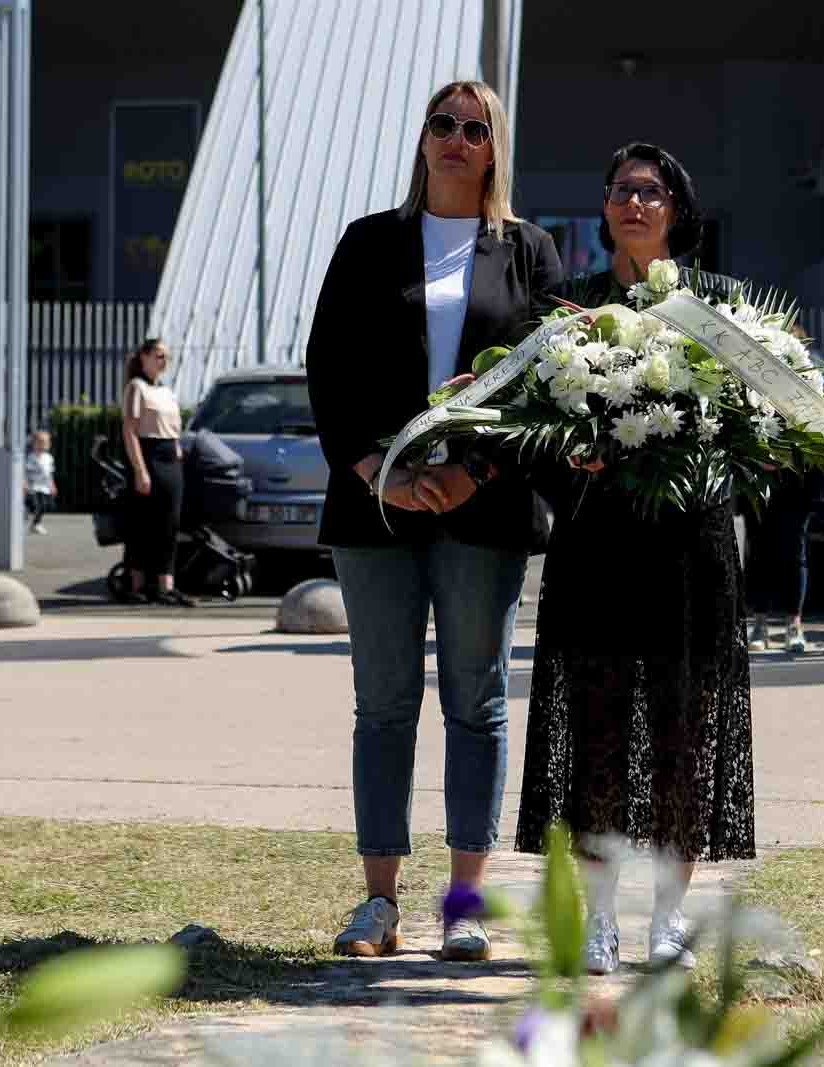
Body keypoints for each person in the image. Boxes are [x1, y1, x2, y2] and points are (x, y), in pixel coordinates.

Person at [306, 80, 563, 962]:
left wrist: (474, 472)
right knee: (381, 705)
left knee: (477, 702)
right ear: (421, 140)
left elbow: (548, 384)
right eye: (442, 124)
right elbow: (327, 367)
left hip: (481, 511)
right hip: (373, 505)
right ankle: (378, 904)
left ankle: (464, 903)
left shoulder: (529, 251)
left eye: (474, 128)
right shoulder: (367, 242)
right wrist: (374, 465)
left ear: (495, 149)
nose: (456, 139)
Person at [514, 142, 755, 976]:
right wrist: (564, 459)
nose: (634, 204)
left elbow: (755, 423)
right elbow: (527, 424)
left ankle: (669, 917)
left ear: (677, 208)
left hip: (692, 548)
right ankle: (600, 920)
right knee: (597, 732)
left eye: (650, 192)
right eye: (620, 190)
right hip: (598, 546)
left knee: (688, 731)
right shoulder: (571, 303)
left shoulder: (721, 305)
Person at [746, 323, 823, 654]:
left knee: (793, 550)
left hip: (796, 480)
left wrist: (790, 457)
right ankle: (760, 622)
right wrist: (758, 456)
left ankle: (794, 623)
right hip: (759, 479)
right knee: (759, 550)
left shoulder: (812, 371)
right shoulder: (751, 370)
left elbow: (819, 423)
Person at [119, 339, 193, 607]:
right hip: (147, 455)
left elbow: (174, 428)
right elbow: (129, 431)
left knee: (169, 524)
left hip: (170, 458)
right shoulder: (135, 388)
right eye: (160, 355)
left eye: (167, 357)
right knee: (142, 524)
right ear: (144, 357)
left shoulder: (167, 391)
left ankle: (165, 585)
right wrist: (140, 470)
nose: (164, 361)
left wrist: (177, 451)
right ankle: (136, 584)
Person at [24, 430, 57, 534]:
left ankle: (35, 524)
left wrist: (52, 485)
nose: (42, 445)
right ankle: (28, 519)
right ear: (34, 444)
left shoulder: (49, 458)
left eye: (45, 442)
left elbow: (50, 474)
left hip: (45, 487)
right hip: (33, 486)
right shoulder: (30, 457)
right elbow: (25, 472)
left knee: (44, 506)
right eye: (40, 442)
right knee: (36, 505)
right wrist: (24, 484)